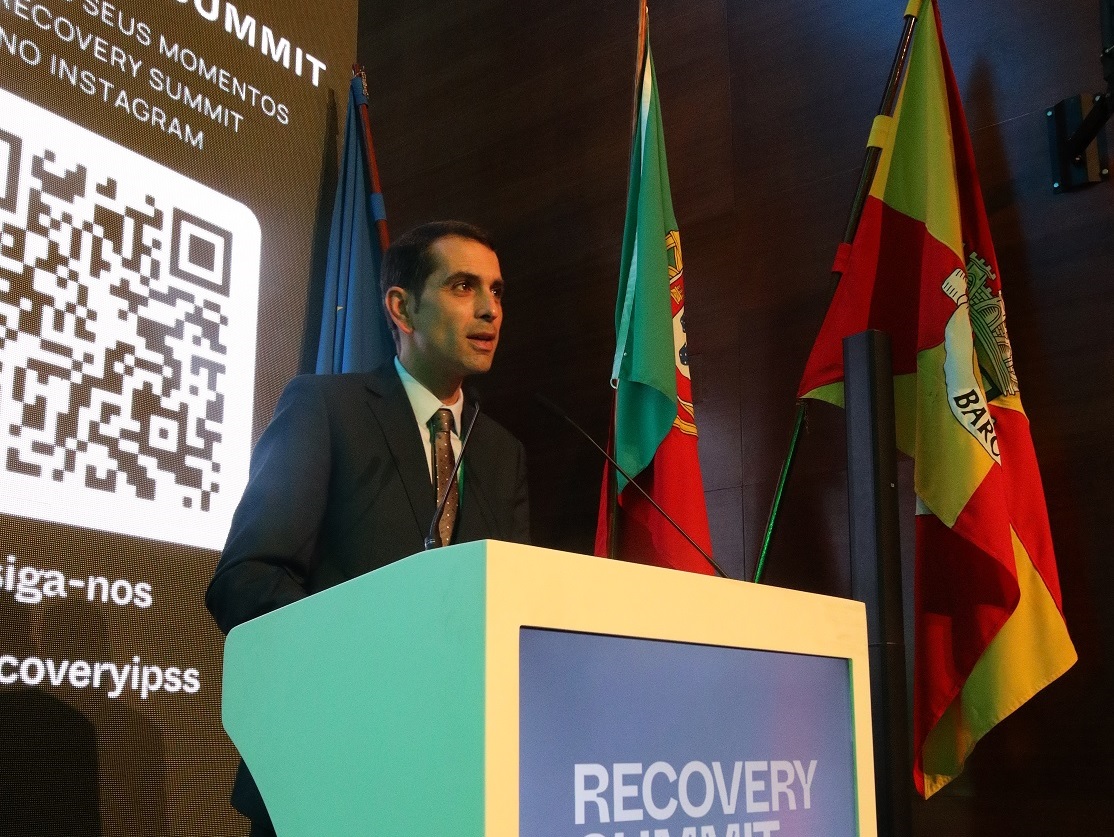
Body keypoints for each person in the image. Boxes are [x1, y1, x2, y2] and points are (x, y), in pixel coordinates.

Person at [206, 220, 530, 836]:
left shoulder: (501, 452)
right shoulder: (326, 409)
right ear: (401, 308)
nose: (490, 309)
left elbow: (515, 609)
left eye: (497, 290)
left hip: (459, 782)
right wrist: (363, 663)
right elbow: (247, 578)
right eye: (463, 286)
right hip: (328, 774)